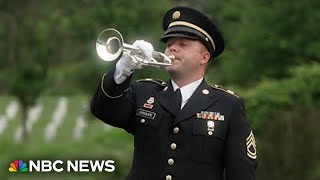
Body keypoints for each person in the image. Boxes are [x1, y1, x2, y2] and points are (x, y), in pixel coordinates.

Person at [91, 6, 258, 180]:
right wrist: (124, 67)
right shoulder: (144, 92)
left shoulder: (228, 105)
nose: (172, 49)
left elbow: (241, 172)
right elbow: (102, 109)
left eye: (183, 44)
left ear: (204, 57)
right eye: (169, 44)